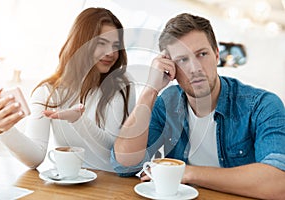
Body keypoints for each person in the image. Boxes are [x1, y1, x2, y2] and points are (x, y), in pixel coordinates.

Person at [111, 13, 285, 199]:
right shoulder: (166, 103)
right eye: (182, 60)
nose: (195, 68)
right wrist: (150, 90)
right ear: (170, 67)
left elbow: (278, 183)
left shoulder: (261, 105)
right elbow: (125, 165)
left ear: (217, 54)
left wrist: (187, 173)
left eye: (202, 54)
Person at [0, 7, 135, 172]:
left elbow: (113, 154)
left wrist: (79, 121)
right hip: (68, 183)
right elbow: (35, 158)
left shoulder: (122, 87)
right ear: (81, 43)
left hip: (111, 188)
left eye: (116, 45)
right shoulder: (48, 91)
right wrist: (3, 130)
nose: (111, 53)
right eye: (101, 43)